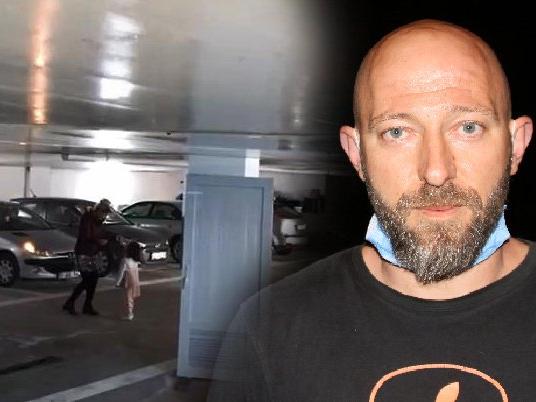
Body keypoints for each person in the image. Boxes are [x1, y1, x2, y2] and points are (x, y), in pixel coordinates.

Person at [208, 19, 535, 401]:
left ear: (515, 146)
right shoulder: (268, 327)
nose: (436, 171)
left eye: (468, 128)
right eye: (397, 132)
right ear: (357, 154)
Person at [63, 199, 113, 316]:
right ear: (98, 210)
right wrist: (99, 241)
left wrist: (108, 238)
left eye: (106, 214)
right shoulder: (88, 218)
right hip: (83, 252)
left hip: (93, 252)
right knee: (86, 280)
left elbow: (100, 233)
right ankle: (70, 302)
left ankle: (87, 305)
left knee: (93, 279)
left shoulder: (97, 221)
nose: (104, 216)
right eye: (104, 213)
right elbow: (87, 235)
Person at [115, 241, 141, 321]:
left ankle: (130, 313)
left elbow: (121, 272)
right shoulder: (136, 261)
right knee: (131, 297)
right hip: (135, 280)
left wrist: (117, 282)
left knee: (128, 297)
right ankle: (130, 312)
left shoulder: (125, 260)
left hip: (128, 280)